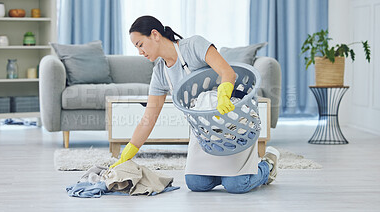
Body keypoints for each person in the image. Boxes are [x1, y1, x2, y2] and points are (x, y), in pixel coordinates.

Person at [109, 15, 280, 193]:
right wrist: (127, 153)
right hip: (204, 132)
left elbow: (227, 72)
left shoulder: (193, 46)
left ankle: (267, 165)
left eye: (140, 44)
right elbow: (149, 118)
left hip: (232, 122)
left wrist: (223, 96)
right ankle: (227, 173)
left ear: (155, 34)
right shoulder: (160, 73)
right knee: (196, 183)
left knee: (236, 185)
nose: (140, 52)